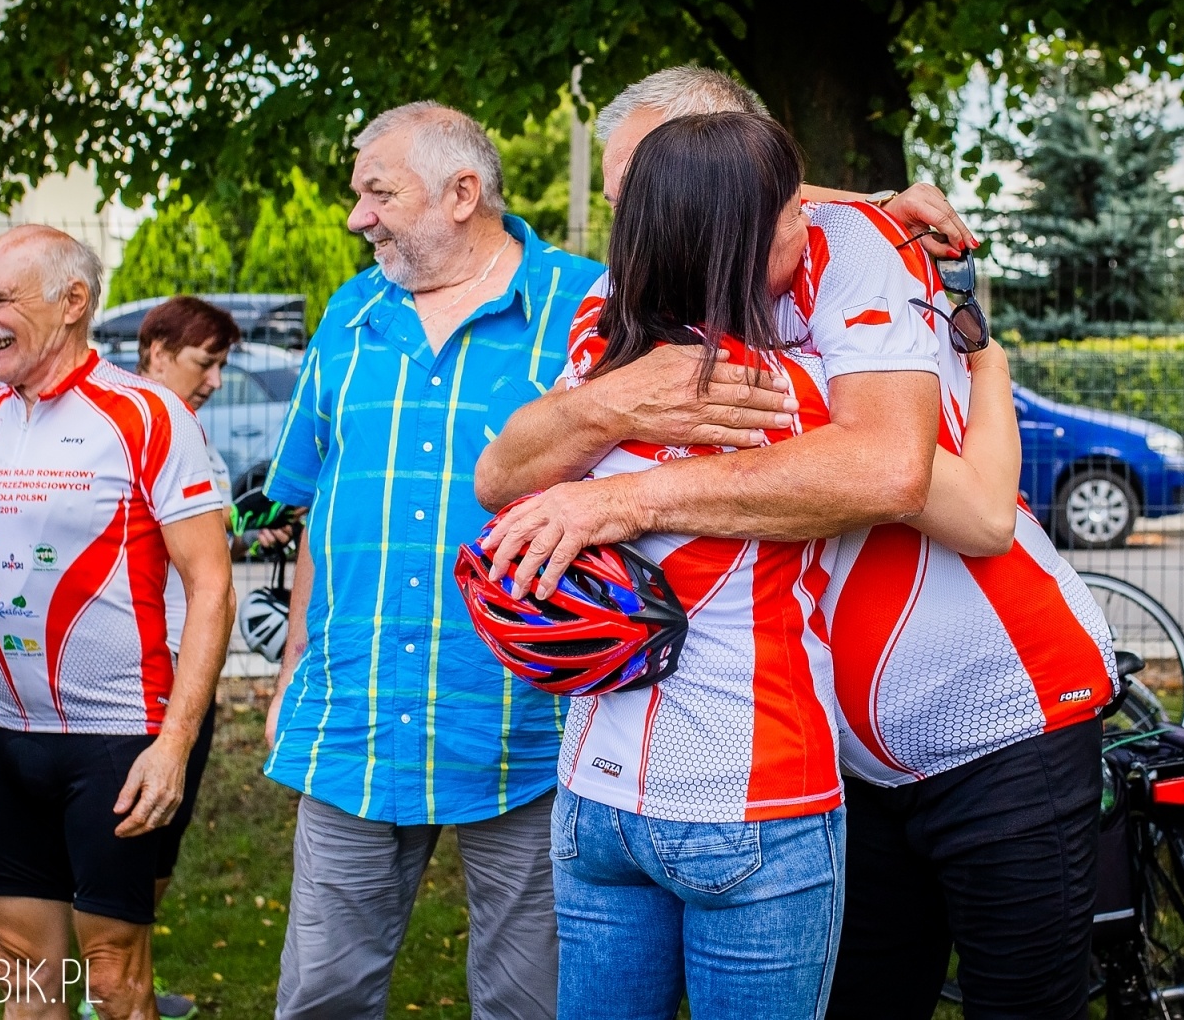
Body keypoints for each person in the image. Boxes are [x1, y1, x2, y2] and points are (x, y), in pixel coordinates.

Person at [477, 66, 1116, 1020]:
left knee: (1023, 1000)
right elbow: (502, 472)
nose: (629, 224)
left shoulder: (850, 253)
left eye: (643, 190)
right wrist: (613, 402)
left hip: (996, 715)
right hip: (815, 759)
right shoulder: (654, 294)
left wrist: (628, 497)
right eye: (625, 197)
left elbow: (916, 485)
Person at [538, 110, 945, 1020]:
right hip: (755, 790)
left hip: (593, 791)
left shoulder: (596, 370)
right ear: (732, 237)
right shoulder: (784, 393)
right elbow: (906, 473)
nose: (812, 230)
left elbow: (500, 471)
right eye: (792, 215)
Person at [258, 101, 605, 1020]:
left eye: (378, 192)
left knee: (529, 1001)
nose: (355, 216)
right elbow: (318, 506)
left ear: (463, 194)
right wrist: (294, 670)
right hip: (354, 720)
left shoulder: (587, 302)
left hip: (530, 720)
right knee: (321, 995)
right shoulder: (351, 310)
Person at [0, 225, 234, 1020]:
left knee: (113, 975)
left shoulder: (148, 415)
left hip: (118, 737)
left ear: (72, 303)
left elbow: (211, 586)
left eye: (1, 298)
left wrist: (173, 746)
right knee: (20, 965)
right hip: (12, 736)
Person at [133, 295, 245, 1020]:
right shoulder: (135, 427)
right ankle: (110, 988)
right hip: (150, 670)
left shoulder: (189, 433)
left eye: (221, 366)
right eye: (206, 362)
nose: (214, 379)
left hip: (190, 668)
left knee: (159, 841)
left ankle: (125, 980)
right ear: (157, 351)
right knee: (134, 836)